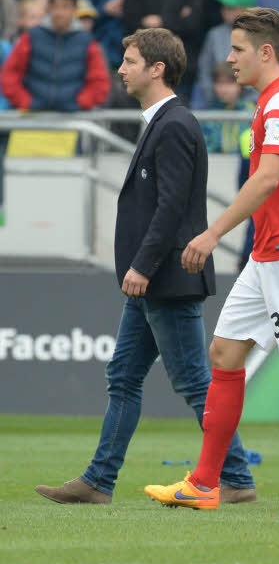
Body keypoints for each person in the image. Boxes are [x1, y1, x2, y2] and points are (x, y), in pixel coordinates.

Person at [143, 8, 279, 514]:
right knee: (223, 352)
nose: (228, 58)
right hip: (270, 252)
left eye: (238, 49)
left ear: (266, 52)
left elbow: (267, 178)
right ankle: (204, 483)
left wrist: (213, 232)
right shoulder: (278, 98)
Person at [33, 27, 256, 505]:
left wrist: (144, 265)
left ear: (157, 69)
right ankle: (98, 481)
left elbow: (171, 206)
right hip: (155, 280)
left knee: (195, 382)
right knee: (125, 377)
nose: (121, 69)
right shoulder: (165, 122)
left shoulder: (173, 124)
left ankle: (235, 475)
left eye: (130, 61)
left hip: (164, 278)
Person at [0, 0, 110, 112]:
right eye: (56, 6)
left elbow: (100, 83)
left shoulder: (87, 42)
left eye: (65, 6)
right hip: (31, 120)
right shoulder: (30, 37)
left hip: (74, 122)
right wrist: (26, 102)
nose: (60, 13)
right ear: (49, 8)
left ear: (74, 9)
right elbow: (9, 76)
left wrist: (79, 103)